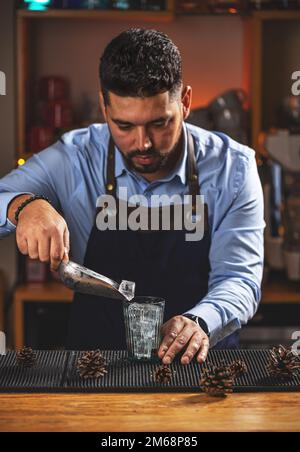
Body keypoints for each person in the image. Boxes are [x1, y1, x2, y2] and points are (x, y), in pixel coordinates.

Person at [0, 28, 265, 365]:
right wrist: (22, 205)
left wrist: (201, 321)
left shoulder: (233, 168)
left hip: (199, 369)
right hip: (96, 370)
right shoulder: (75, 157)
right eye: (124, 126)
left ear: (184, 102)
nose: (143, 143)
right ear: (104, 106)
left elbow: (239, 278)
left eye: (159, 123)